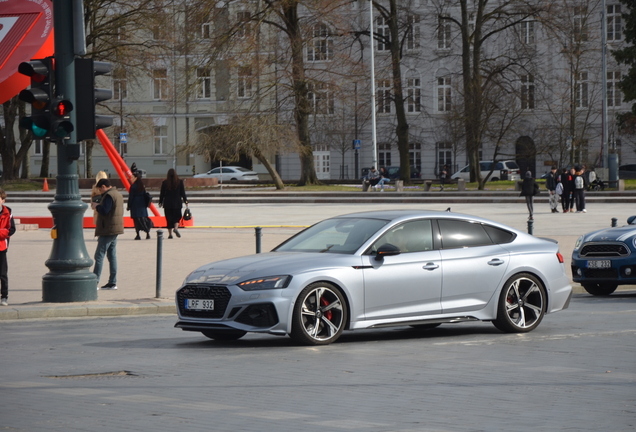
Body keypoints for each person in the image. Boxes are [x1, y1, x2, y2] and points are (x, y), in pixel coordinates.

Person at [91, 179, 124, 290]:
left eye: (100, 189)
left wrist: (97, 206)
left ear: (104, 186)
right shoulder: (118, 194)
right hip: (114, 228)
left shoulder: (109, 195)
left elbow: (105, 210)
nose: (100, 191)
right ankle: (112, 282)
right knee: (112, 255)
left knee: (99, 255)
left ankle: (95, 282)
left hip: (108, 229)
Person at [159, 168, 188, 239]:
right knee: (176, 217)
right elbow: (183, 193)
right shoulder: (180, 182)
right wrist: (186, 201)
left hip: (167, 203)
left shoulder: (165, 183)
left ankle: (170, 234)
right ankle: (176, 228)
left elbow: (162, 194)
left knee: (169, 219)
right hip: (177, 203)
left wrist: (160, 202)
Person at [0, 189, 16, 306]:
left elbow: (11, 229)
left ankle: (4, 297)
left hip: (1, 246)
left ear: (3, 200)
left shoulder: (8, 212)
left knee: (3, 274)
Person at [127, 172, 152, 240]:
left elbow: (131, 197)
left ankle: (138, 234)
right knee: (143, 218)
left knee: (136, 220)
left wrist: (129, 206)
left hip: (135, 204)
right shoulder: (142, 185)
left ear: (136, 178)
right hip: (142, 204)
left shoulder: (133, 186)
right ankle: (147, 233)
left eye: (132, 177)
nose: (131, 179)